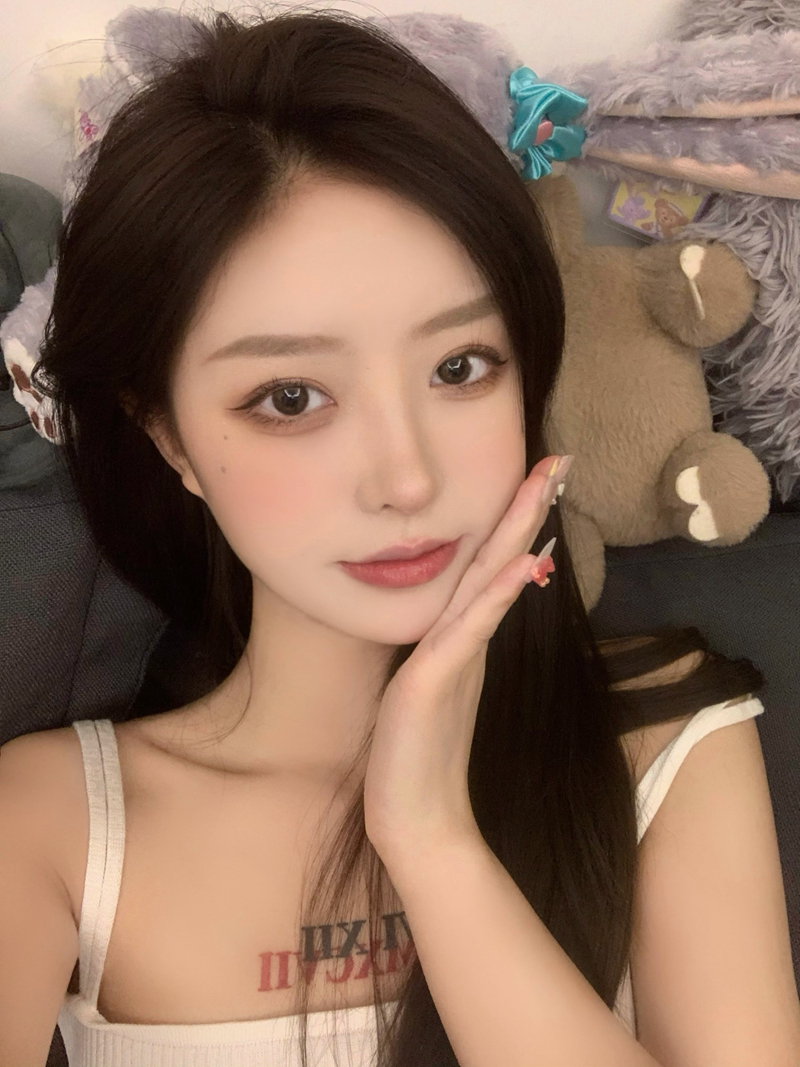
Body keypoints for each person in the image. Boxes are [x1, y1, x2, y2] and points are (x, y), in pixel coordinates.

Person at [1, 8, 797, 1067]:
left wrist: (431, 839)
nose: (408, 478)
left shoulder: (663, 741)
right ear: (169, 437)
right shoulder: (53, 823)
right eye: (290, 396)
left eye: (460, 367)